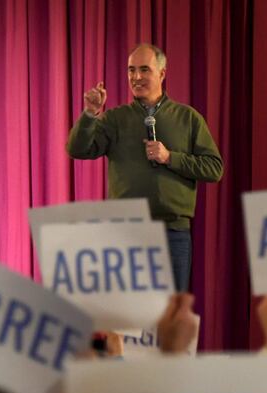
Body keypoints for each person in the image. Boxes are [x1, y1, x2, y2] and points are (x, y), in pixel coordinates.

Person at [67, 43, 224, 292]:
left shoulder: (188, 118)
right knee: (128, 321)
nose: (136, 77)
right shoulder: (115, 118)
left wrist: (170, 157)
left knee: (168, 321)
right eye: (131, 70)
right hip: (126, 232)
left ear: (161, 74)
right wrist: (90, 113)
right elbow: (77, 149)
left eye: (144, 70)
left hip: (173, 233)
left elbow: (214, 168)